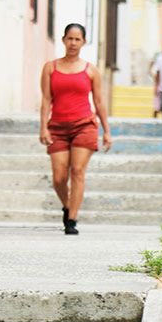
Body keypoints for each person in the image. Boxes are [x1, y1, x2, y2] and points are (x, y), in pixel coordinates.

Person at [39, 23, 112, 235]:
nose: (73, 43)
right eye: (69, 39)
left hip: (84, 126)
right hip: (58, 127)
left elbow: (99, 102)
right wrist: (43, 127)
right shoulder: (50, 68)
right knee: (59, 178)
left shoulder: (91, 70)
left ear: (83, 42)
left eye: (77, 39)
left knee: (78, 171)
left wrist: (106, 130)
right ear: (63, 40)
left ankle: (71, 220)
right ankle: (67, 205)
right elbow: (45, 99)